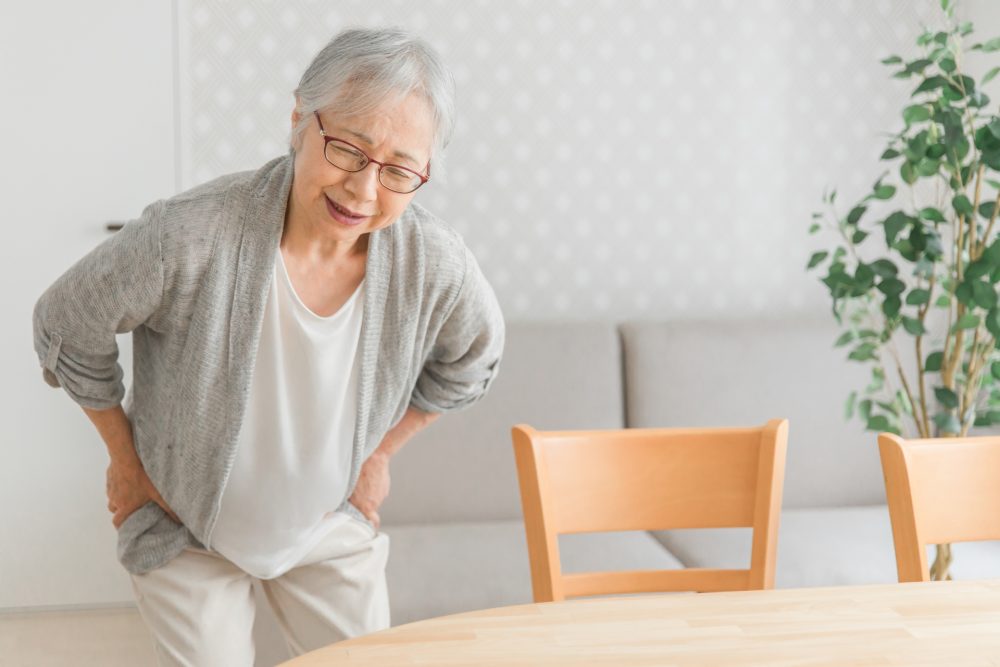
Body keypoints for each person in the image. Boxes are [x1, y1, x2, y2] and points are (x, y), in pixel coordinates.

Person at [32, 27, 504, 665]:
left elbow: (475, 358)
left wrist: (382, 454)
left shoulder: (433, 262)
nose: (365, 190)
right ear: (299, 121)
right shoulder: (189, 235)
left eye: (398, 170)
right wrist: (125, 459)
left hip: (328, 526)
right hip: (183, 524)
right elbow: (65, 319)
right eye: (347, 149)